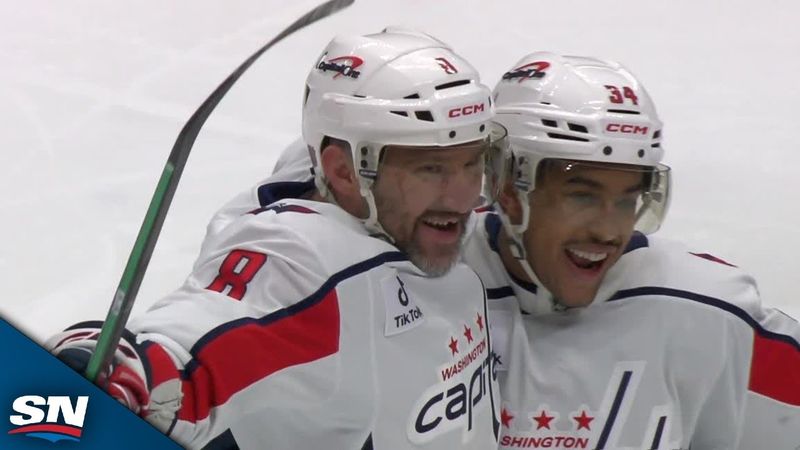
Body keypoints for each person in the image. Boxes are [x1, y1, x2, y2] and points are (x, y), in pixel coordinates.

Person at [47, 28, 508, 449]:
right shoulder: (306, 264)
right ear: (344, 172)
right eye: (431, 168)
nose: (466, 197)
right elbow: (191, 350)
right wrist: (119, 370)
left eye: (473, 162)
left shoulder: (343, 180)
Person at [467, 52, 800, 449]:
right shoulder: (421, 287)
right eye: (582, 197)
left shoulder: (704, 312)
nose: (609, 231)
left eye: (627, 200)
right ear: (508, 190)